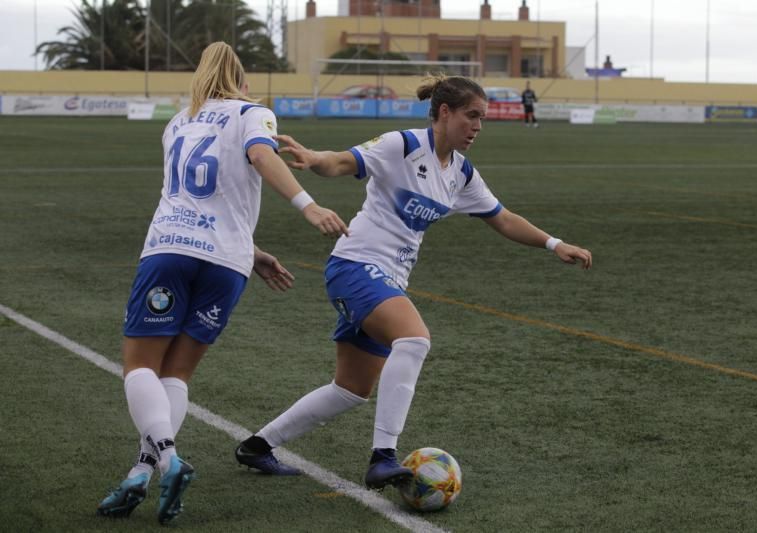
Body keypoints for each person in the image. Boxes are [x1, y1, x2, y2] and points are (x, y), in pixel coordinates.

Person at [235, 74, 592, 490]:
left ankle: (258, 446)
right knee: (415, 339)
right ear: (445, 112)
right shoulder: (400, 145)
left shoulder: (460, 173)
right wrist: (314, 159)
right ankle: (383, 456)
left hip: (387, 280)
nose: (478, 126)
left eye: (483, 119)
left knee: (351, 389)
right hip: (355, 266)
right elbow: (340, 162)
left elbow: (502, 218)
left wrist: (554, 243)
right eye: (471, 116)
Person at [96, 42, 348, 524]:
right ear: (243, 82)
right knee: (176, 375)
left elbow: (190, 194)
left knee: (140, 366)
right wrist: (293, 217)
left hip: (170, 249)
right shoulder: (254, 112)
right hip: (228, 262)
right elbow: (255, 157)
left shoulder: (178, 122)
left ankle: (167, 458)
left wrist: (300, 212)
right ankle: (141, 472)